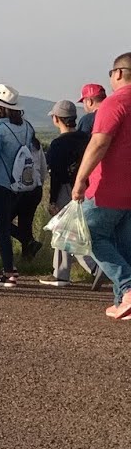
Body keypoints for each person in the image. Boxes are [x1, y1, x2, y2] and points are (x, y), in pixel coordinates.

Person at [71, 53, 131, 319]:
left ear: (118, 73)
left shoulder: (114, 103)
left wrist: (81, 178)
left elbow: (99, 143)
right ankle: (123, 301)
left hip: (109, 186)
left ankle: (128, 289)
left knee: (90, 234)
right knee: (123, 242)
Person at [0, 84, 40, 287]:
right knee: (3, 224)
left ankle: (9, 271)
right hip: (21, 183)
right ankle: (24, 245)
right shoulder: (27, 126)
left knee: (0, 226)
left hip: (1, 183)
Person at [43, 100, 101, 287]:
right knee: (76, 231)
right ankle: (62, 272)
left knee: (64, 230)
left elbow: (56, 175)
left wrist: (53, 200)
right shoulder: (85, 139)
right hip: (88, 188)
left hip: (67, 189)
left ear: (57, 119)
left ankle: (85, 268)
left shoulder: (58, 144)